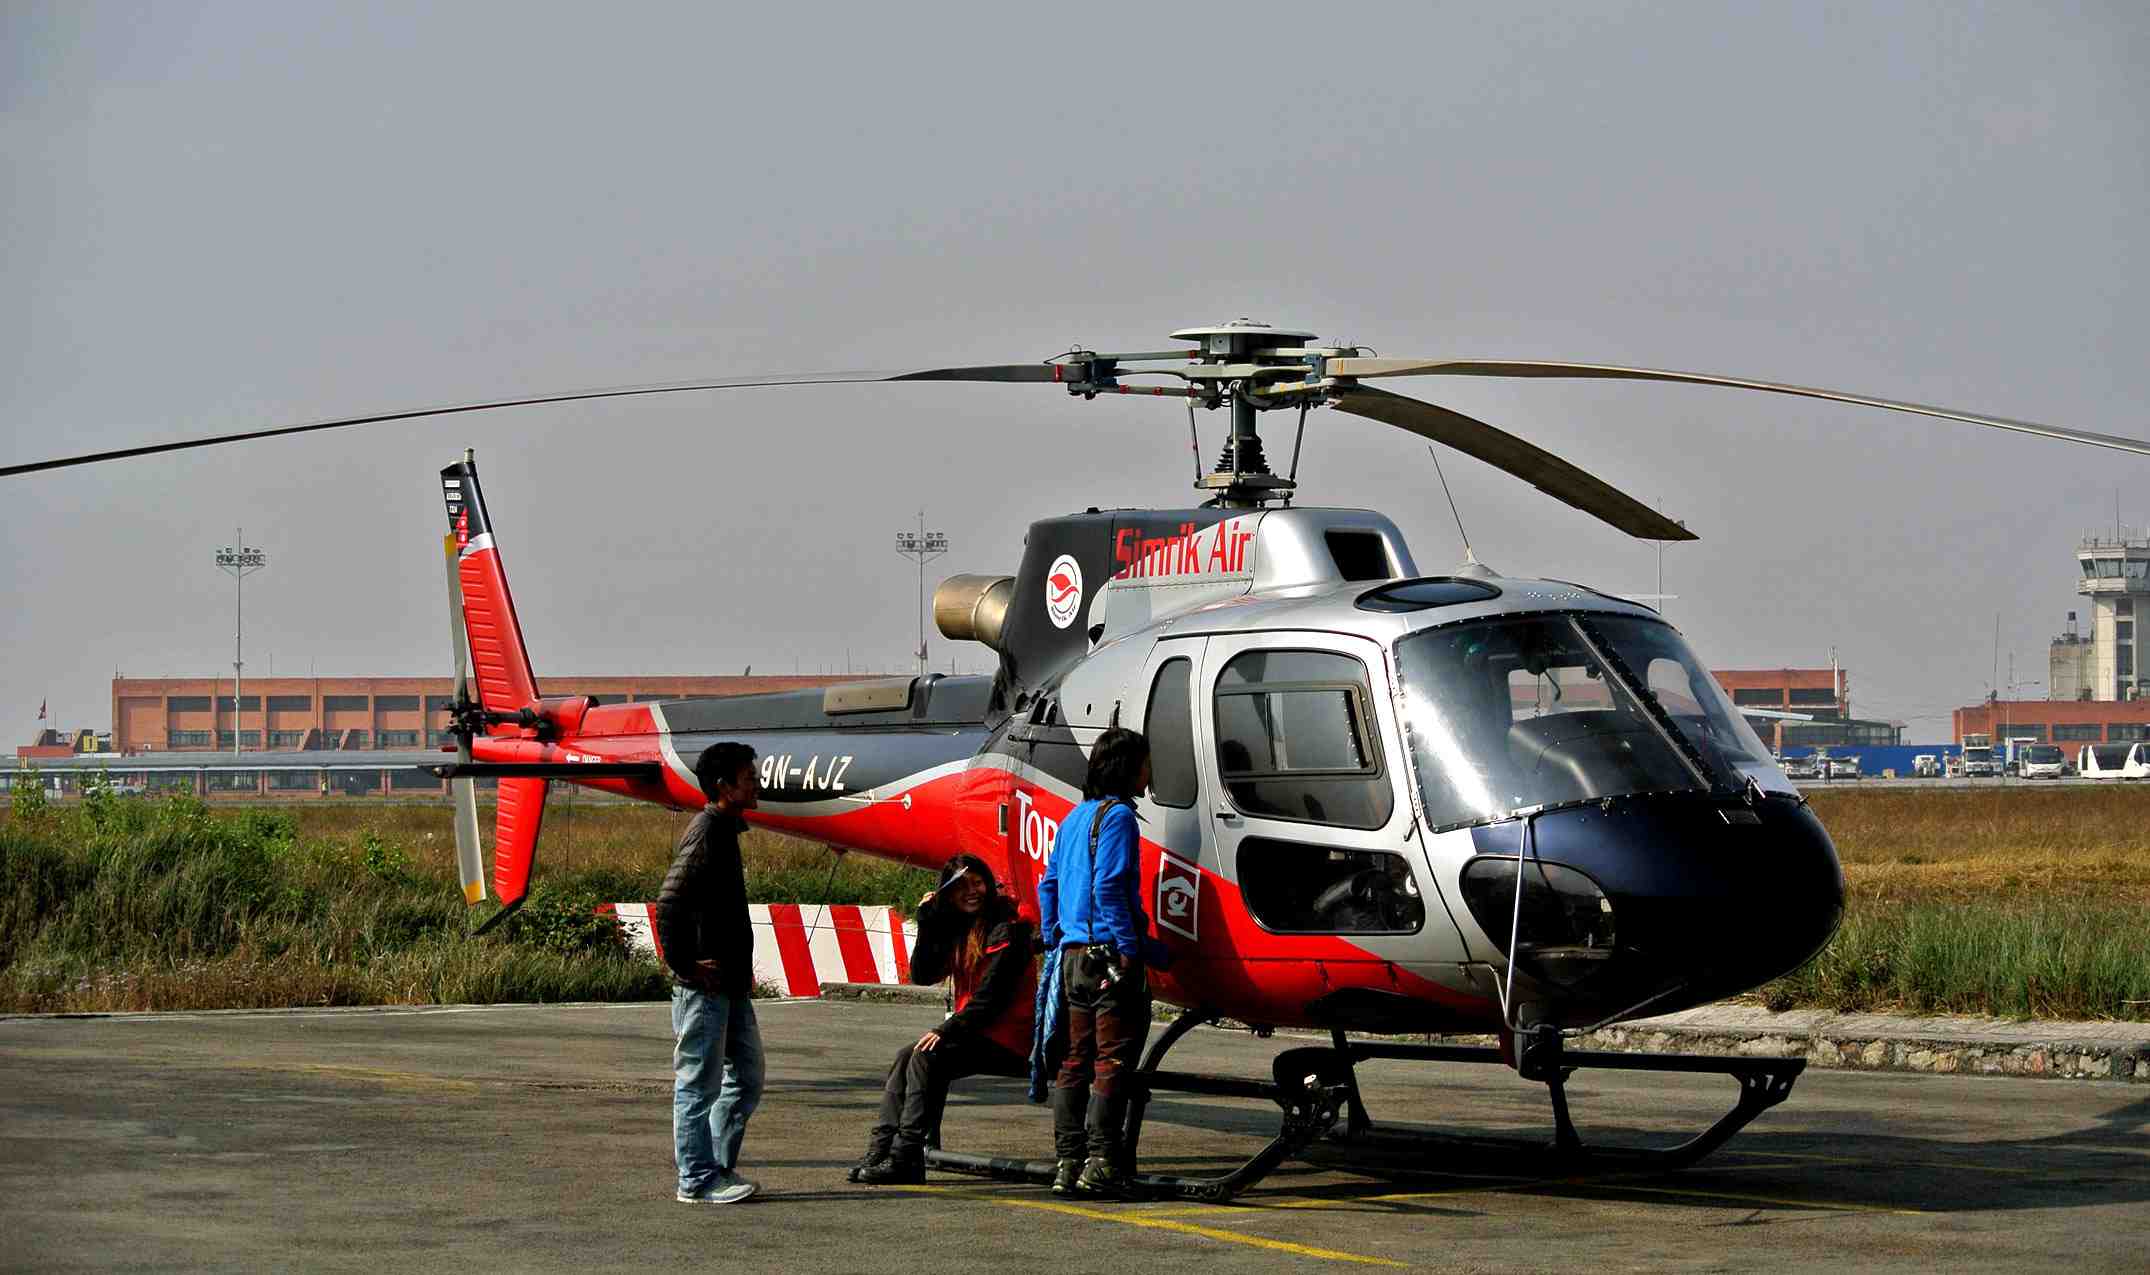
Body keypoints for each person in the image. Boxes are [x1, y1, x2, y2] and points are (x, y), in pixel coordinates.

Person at [850, 853, 1037, 1185]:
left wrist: (947, 1029)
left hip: (1008, 1037)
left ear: (989, 884)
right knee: (905, 1055)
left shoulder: (1006, 926)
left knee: (924, 1055)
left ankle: (907, 1156)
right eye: (961, 886)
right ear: (948, 893)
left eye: (977, 882)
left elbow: (992, 998)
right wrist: (927, 922)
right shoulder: (959, 927)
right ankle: (880, 1150)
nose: (971, 891)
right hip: (976, 1033)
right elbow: (922, 975)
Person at [1035, 726, 1166, 1198]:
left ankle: (1067, 1162)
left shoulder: (1073, 819)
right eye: (1146, 764)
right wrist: (1130, 949)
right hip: (1107, 955)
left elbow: (1047, 886)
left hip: (1072, 958)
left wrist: (1057, 938)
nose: (1150, 773)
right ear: (1128, 768)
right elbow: (1110, 887)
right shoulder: (1119, 820)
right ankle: (1102, 1161)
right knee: (1111, 1061)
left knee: (1074, 1060)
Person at [654, 742, 765, 1205]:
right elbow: (669, 902)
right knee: (698, 1085)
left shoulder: (726, 829)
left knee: (748, 1075)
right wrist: (685, 965)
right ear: (724, 786)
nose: (756, 782)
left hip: (731, 986)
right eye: (748, 776)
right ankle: (696, 1181)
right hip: (704, 988)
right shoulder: (706, 832)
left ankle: (717, 1169)